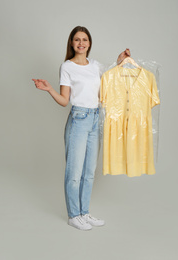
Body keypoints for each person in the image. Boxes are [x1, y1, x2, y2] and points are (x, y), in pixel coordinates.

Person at [32, 26, 130, 231]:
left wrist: (119, 61)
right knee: (74, 172)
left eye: (84, 39)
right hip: (78, 119)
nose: (81, 43)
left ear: (89, 43)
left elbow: (110, 80)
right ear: (71, 43)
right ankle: (73, 215)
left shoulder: (96, 66)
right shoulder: (67, 67)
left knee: (89, 172)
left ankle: (85, 212)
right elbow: (64, 100)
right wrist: (49, 89)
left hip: (95, 118)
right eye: (77, 39)